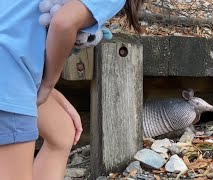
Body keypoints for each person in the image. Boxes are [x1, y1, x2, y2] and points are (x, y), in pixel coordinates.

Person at [0, 0, 145, 179]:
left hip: (12, 66)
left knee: (61, 130)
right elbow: (64, 22)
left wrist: (46, 88)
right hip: (10, 70)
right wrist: (48, 83)